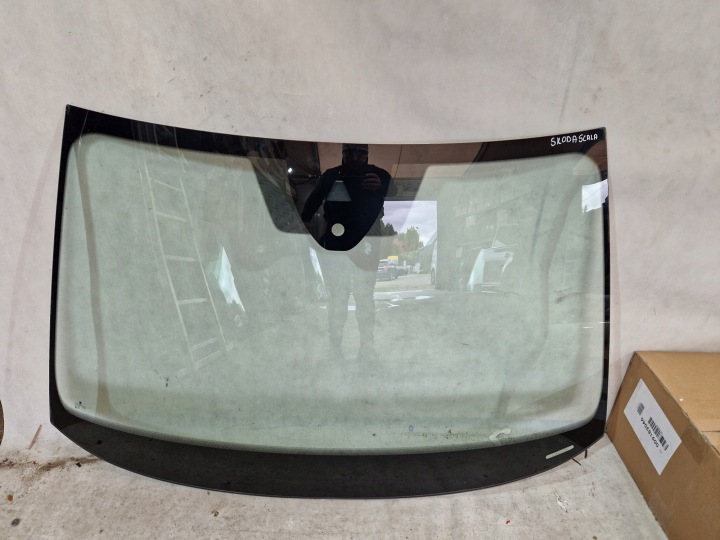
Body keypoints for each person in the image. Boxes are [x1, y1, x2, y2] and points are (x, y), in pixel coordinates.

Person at [301, 143, 396, 360]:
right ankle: (337, 347)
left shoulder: (379, 176)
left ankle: (365, 347)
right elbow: (310, 207)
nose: (354, 157)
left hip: (363, 246)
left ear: (367, 155)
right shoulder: (330, 176)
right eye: (350, 153)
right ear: (343, 154)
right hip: (340, 246)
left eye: (360, 153)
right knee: (339, 298)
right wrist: (305, 231)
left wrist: (380, 186)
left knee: (363, 298)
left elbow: (394, 190)